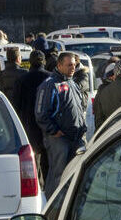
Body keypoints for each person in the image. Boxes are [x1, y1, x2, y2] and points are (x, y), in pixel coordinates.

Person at [35, 52, 86, 198]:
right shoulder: (49, 85)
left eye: (74, 65)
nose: (73, 68)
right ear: (59, 65)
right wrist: (54, 131)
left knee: (74, 174)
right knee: (58, 174)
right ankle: (52, 207)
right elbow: (41, 114)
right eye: (69, 65)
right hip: (59, 138)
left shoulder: (72, 82)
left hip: (75, 137)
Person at [13, 51, 52, 181]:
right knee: (47, 160)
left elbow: (16, 105)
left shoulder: (21, 80)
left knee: (32, 160)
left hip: (28, 125)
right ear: (44, 61)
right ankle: (47, 187)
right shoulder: (50, 79)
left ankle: (37, 185)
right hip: (48, 125)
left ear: (30, 62)